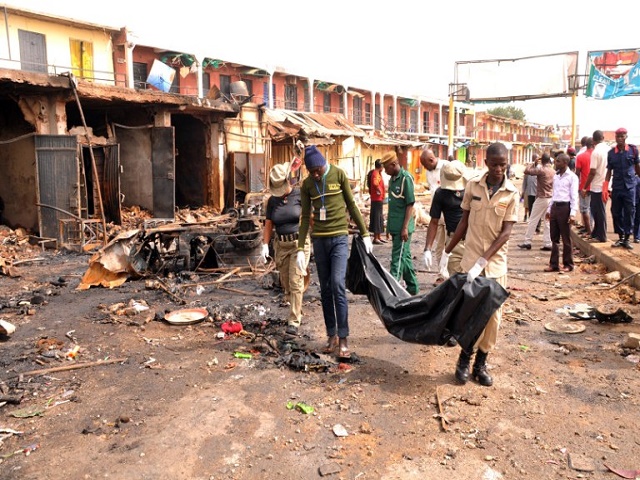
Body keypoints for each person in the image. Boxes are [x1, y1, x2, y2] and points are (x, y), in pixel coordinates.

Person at [440, 142, 519, 387]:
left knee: (493, 318)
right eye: (494, 164)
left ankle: (481, 364)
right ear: (486, 162)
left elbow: (505, 233)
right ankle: (465, 359)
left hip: (494, 266)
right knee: (471, 314)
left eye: (503, 164)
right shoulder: (472, 186)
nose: (498, 169)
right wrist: (447, 251)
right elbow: (463, 222)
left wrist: (484, 260)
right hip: (470, 261)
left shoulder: (511, 193)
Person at [296, 145, 373, 359]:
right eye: (311, 172)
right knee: (325, 289)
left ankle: (344, 337)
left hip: (339, 238)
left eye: (318, 170)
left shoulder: (339, 174)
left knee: (338, 284)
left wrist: (365, 233)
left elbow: (352, 204)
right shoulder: (307, 185)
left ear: (324, 162)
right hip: (319, 240)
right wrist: (300, 248)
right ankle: (331, 335)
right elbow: (304, 217)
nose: (316, 174)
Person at [261, 162, 311, 335]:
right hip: (281, 245)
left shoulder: (300, 196)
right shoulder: (272, 201)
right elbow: (268, 224)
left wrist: (312, 243)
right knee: (286, 283)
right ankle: (296, 305)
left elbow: (308, 220)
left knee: (296, 281)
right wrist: (264, 245)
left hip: (299, 243)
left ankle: (294, 321)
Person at [382, 150, 419, 295]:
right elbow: (393, 205)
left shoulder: (405, 179)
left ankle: (393, 291)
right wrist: (388, 227)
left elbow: (410, 204)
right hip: (395, 226)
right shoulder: (392, 179)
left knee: (397, 259)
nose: (385, 171)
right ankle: (413, 287)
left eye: (386, 168)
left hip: (403, 228)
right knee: (405, 257)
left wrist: (404, 228)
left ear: (393, 164)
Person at [423, 161, 466, 279]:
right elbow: (434, 221)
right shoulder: (441, 194)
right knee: (456, 282)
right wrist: (427, 249)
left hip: (474, 240)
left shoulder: (471, 190)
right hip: (453, 241)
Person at [605, 127, 640, 249]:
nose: (620, 138)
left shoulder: (633, 150)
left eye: (622, 136)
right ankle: (620, 237)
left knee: (630, 212)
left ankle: (627, 238)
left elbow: (637, 167)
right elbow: (609, 170)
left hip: (630, 187)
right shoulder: (611, 153)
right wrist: (605, 186)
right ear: (615, 138)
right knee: (616, 212)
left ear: (626, 137)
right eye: (618, 136)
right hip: (617, 186)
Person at [544, 153, 579, 272]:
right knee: (554, 237)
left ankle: (568, 264)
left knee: (566, 238)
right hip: (555, 207)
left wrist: (573, 213)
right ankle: (553, 264)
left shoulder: (572, 177)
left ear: (565, 163)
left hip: (565, 208)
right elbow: (554, 194)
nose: (555, 163)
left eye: (558, 161)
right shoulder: (556, 176)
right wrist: (549, 210)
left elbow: (574, 196)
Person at [419, 147, 447, 281]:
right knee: (439, 247)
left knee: (452, 247)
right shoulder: (429, 173)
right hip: (437, 215)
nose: (424, 168)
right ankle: (442, 275)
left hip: (450, 215)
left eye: (425, 165)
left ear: (431, 160)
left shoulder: (447, 168)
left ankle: (451, 276)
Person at [518, 153, 554, 251]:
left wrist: (534, 162)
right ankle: (548, 243)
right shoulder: (553, 171)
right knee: (547, 222)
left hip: (541, 198)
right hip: (550, 198)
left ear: (542, 161)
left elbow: (526, 171)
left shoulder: (541, 170)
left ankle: (527, 241)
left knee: (533, 219)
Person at [583, 130, 610, 243]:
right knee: (597, 210)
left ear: (593, 140)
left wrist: (585, 187)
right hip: (606, 183)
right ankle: (596, 232)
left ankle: (602, 235)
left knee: (599, 211)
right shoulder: (609, 149)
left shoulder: (596, 152)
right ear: (603, 138)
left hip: (597, 185)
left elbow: (592, 172)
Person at [575, 137, 594, 237]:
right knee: (593, 209)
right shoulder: (597, 155)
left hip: (584, 187)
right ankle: (592, 229)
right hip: (596, 187)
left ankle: (589, 231)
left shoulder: (581, 156)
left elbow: (577, 173)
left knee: (584, 209)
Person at [368, 159, 386, 244]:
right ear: (381, 166)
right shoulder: (376, 173)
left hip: (378, 199)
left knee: (379, 218)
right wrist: (379, 190)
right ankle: (375, 238)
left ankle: (379, 236)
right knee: (376, 218)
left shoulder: (378, 173)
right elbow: (375, 183)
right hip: (376, 199)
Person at [521, 153, 539, 223]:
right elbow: (525, 180)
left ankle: (534, 220)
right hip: (528, 190)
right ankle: (526, 216)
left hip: (537, 192)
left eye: (537, 158)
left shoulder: (540, 169)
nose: (536, 160)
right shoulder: (528, 168)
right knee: (527, 205)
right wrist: (523, 190)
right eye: (534, 158)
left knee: (535, 207)